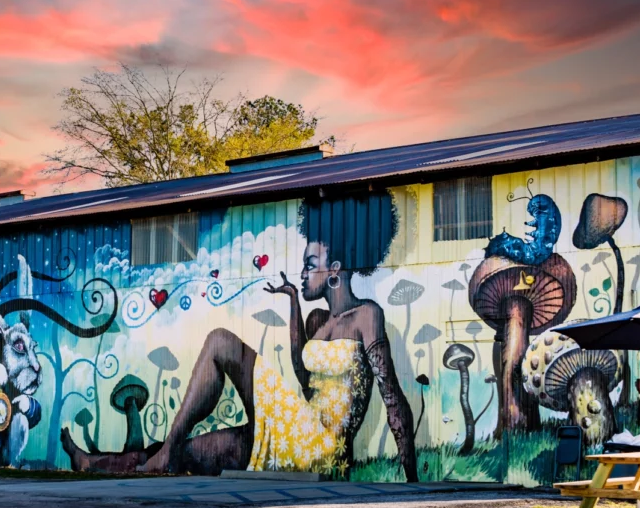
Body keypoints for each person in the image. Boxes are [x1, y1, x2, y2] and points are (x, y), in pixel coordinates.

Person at [63, 192, 418, 482]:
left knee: (220, 340)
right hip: (295, 428)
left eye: (311, 264)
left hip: (321, 446)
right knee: (188, 453)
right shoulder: (318, 320)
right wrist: (294, 302)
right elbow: (304, 377)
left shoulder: (367, 315)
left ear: (335, 270)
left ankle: (163, 451)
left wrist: (412, 480)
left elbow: (392, 397)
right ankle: (94, 463)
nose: (304, 271)